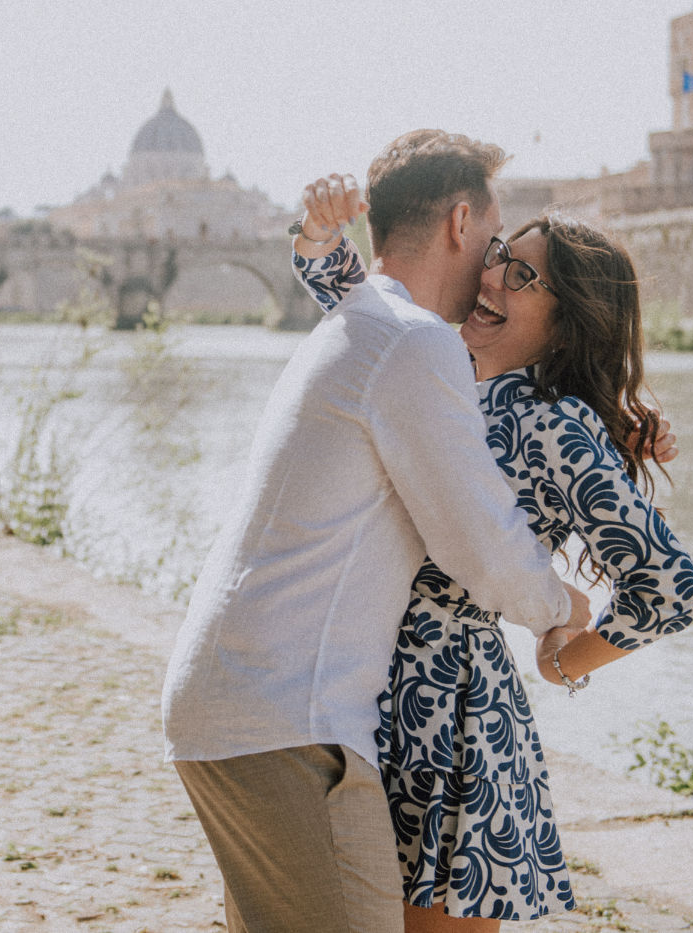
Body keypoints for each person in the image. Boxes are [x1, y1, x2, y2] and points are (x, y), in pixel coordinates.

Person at [161, 130, 595, 933]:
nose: (496, 266)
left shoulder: (364, 322)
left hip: (238, 704)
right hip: (288, 721)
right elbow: (481, 542)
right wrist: (562, 607)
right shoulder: (413, 339)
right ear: (460, 221)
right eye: (494, 239)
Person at [292, 186, 693, 931]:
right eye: (500, 257)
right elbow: (356, 309)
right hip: (368, 689)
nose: (491, 278)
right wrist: (322, 235)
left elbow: (670, 587)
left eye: (522, 277)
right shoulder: (445, 370)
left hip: (449, 714)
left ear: (570, 317)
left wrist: (562, 660)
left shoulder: (557, 420)